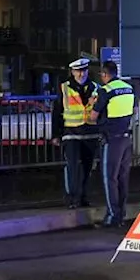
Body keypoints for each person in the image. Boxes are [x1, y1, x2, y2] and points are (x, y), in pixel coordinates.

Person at [91, 61, 135, 227]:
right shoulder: (128, 88)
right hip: (126, 138)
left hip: (112, 139)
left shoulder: (105, 91)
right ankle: (121, 215)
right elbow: (134, 110)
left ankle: (112, 216)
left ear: (104, 74)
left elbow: (93, 117)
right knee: (123, 178)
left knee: (109, 178)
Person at [53, 57, 101, 209]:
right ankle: (72, 198)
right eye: (78, 71)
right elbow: (57, 112)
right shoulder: (64, 88)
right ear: (72, 72)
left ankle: (83, 197)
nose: (81, 74)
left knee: (87, 168)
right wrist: (56, 134)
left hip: (90, 133)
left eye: (84, 71)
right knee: (72, 167)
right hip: (71, 133)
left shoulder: (95, 87)